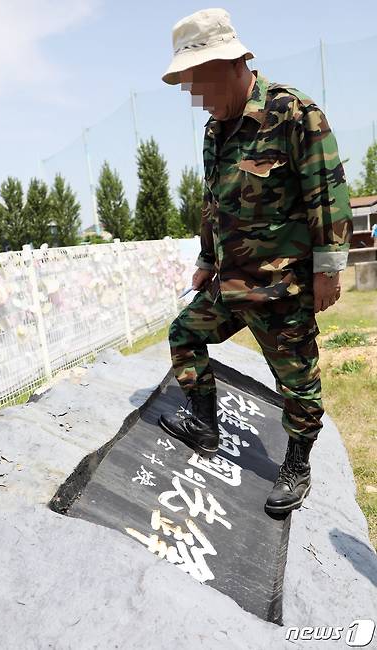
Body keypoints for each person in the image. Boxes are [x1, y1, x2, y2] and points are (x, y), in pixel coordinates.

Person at [158, 8, 353, 514]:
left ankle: (297, 463)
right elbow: (213, 203)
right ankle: (203, 423)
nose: (193, 96)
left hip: (281, 288)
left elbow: (327, 192)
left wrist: (330, 268)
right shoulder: (213, 132)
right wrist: (205, 258)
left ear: (228, 65)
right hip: (230, 282)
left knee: (297, 382)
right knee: (184, 333)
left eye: (196, 82)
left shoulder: (294, 112)